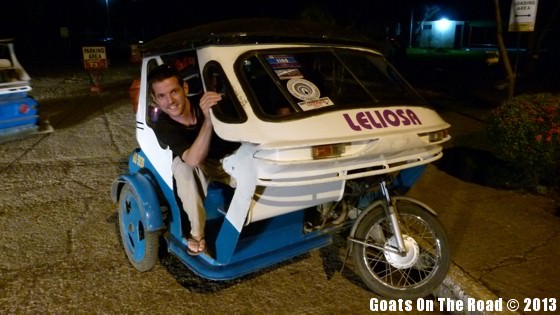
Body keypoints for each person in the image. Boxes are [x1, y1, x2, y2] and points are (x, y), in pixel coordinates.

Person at [148, 64, 238, 255]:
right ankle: (197, 233)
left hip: (229, 162)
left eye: (174, 92)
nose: (170, 101)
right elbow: (193, 160)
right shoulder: (162, 124)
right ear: (155, 99)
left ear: (185, 89)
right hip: (199, 166)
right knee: (184, 168)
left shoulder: (203, 102)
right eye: (162, 96)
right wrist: (208, 120)